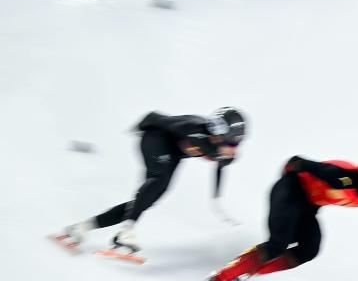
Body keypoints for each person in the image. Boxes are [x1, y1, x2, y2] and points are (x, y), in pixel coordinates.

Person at [193, 152, 358, 281]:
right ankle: (217, 280)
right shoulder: (341, 177)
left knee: (308, 250)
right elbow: (296, 162)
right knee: (278, 245)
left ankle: (243, 275)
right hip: (290, 192)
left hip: (308, 206)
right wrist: (288, 183)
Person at [52, 107, 246, 260]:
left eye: (235, 145)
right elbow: (159, 120)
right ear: (219, 133)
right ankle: (125, 234)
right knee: (158, 182)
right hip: (155, 137)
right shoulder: (195, 130)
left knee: (147, 200)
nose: (232, 149)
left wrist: (216, 198)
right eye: (231, 143)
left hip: (171, 153)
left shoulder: (219, 149)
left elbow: (221, 166)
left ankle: (81, 228)